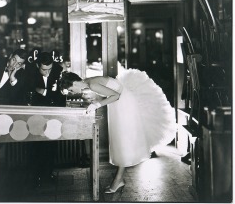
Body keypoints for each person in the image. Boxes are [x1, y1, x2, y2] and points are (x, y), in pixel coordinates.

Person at [60, 68, 177, 193]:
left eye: (71, 90)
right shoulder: (89, 82)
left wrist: (97, 105)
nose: (73, 92)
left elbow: (116, 95)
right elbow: (111, 93)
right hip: (121, 103)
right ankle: (118, 179)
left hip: (124, 104)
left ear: (75, 83)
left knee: (124, 141)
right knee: (122, 141)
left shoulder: (92, 84)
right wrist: (96, 102)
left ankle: (118, 180)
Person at [25, 51, 63, 187]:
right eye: (44, 69)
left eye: (50, 69)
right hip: (36, 113)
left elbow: (60, 93)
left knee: (50, 145)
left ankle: (48, 173)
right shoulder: (30, 71)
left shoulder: (58, 70)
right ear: (37, 65)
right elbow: (27, 88)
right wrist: (41, 90)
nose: (47, 73)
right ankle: (36, 176)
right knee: (35, 145)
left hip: (53, 112)